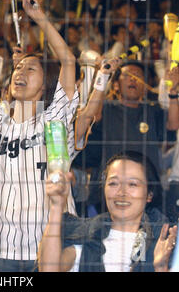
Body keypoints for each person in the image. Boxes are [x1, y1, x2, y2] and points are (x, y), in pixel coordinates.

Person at [0, 0, 80, 272]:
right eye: (18, 68)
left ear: (46, 83)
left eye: (30, 69)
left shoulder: (54, 121)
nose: (20, 72)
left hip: (46, 246)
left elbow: (69, 62)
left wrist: (38, 15)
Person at [38, 151, 177, 272]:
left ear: (149, 195)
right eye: (113, 183)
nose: (122, 192)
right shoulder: (87, 235)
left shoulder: (165, 241)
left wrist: (160, 267)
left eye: (132, 184)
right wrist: (56, 206)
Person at [74, 61, 179, 215]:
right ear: (115, 85)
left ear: (144, 86)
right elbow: (91, 113)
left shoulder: (152, 110)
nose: (133, 79)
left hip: (146, 194)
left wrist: (174, 92)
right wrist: (104, 76)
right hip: (107, 196)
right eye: (127, 76)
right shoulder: (106, 108)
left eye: (138, 76)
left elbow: (172, 125)